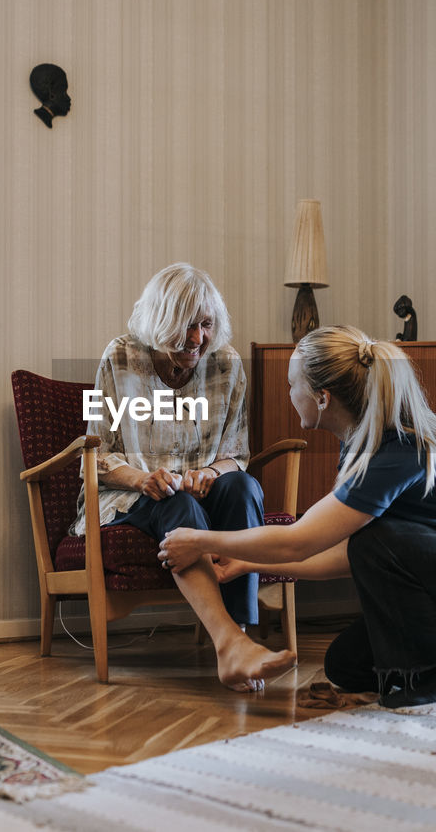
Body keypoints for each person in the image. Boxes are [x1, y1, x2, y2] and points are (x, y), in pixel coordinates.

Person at [159, 325, 436, 708]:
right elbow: (350, 554)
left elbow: (301, 540)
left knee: (376, 540)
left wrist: (201, 540)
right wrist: (248, 561)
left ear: (322, 397)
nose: (289, 393)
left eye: (292, 384)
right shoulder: (364, 442)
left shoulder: (394, 448)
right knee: (346, 665)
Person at [72, 262, 295, 691]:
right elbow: (96, 455)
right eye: (184, 326)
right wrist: (142, 479)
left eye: (205, 325)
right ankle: (229, 643)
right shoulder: (118, 357)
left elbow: (237, 455)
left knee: (243, 486)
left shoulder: (227, 364)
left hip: (201, 492)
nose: (196, 340)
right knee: (177, 502)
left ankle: (241, 640)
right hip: (128, 498)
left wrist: (211, 472)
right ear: (159, 323)